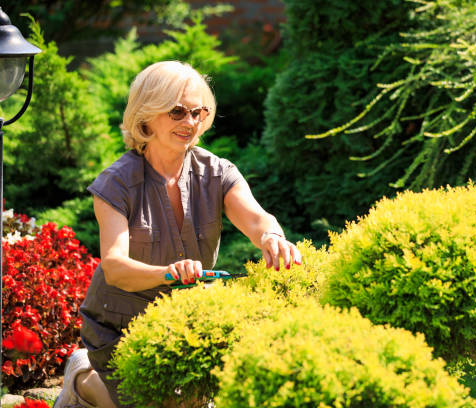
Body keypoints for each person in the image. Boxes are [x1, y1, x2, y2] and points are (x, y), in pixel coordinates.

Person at [53, 61, 302, 408]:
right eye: (176, 112)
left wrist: (272, 237)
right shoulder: (116, 183)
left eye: (197, 112)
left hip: (187, 324)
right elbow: (114, 267)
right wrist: (168, 273)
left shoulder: (218, 173)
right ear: (146, 116)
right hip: (120, 329)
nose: (189, 122)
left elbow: (258, 218)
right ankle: (84, 378)